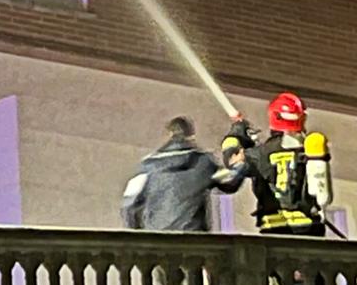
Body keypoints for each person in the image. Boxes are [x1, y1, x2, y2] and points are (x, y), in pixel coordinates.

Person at [222, 91, 333, 237]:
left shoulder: (260, 154)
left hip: (273, 229)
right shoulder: (310, 150)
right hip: (309, 229)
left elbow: (232, 160)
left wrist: (236, 133)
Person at [121, 116, 243, 232]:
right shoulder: (203, 163)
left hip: (157, 239)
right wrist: (242, 163)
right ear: (191, 135)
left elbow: (129, 206)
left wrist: (138, 237)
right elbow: (231, 183)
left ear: (169, 134)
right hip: (193, 238)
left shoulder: (148, 166)